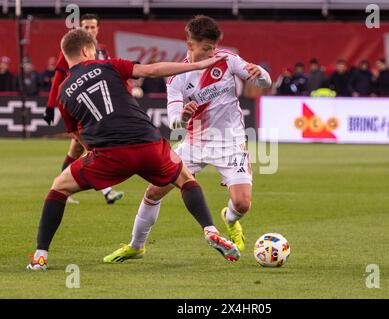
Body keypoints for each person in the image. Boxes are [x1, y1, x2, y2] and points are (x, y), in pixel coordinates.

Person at [27, 28, 239, 271]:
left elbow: (76, 133)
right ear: (87, 50)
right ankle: (210, 230)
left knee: (58, 188)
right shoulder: (109, 66)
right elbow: (151, 70)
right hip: (149, 143)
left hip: (110, 155)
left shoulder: (64, 91)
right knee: (185, 178)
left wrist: (93, 153)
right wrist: (196, 67)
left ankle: (40, 256)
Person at [104, 15, 271, 263]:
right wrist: (181, 117)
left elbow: (265, 83)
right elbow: (173, 120)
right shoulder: (177, 77)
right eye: (206, 48)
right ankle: (136, 246)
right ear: (190, 45)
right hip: (194, 143)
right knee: (153, 192)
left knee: (242, 203)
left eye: (214, 47)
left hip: (231, 142)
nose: (212, 52)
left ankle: (229, 219)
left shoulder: (227, 60)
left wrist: (261, 73)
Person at [42, 13, 123, 205]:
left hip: (99, 106)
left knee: (78, 148)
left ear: (98, 29)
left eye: (92, 27)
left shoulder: (102, 50)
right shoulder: (71, 50)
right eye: (85, 27)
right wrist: (50, 105)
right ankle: (106, 191)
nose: (88, 31)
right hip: (80, 105)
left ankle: (61, 188)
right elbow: (58, 77)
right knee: (91, 146)